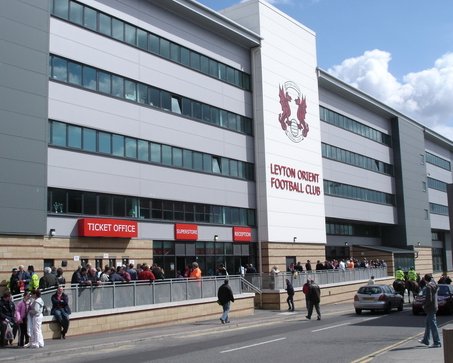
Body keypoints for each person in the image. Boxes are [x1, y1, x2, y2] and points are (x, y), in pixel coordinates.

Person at [418, 274, 441, 348]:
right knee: (428, 324)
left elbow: (429, 299)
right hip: (434, 307)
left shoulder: (428, 287)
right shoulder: (434, 285)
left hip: (430, 308)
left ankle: (437, 342)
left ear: (425, 280)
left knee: (433, 325)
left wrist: (424, 305)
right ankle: (426, 340)